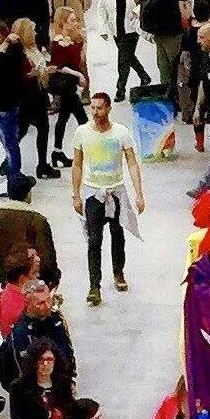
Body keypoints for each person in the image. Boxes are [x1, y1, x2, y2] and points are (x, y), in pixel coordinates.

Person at [73, 91, 144, 309]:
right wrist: (76, 194)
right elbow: (77, 164)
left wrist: (138, 193)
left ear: (109, 109)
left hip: (116, 191)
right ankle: (94, 286)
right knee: (94, 240)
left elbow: (132, 163)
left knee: (118, 234)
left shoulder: (121, 133)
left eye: (100, 108)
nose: (95, 112)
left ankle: (118, 272)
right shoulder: (82, 133)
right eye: (93, 108)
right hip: (93, 193)